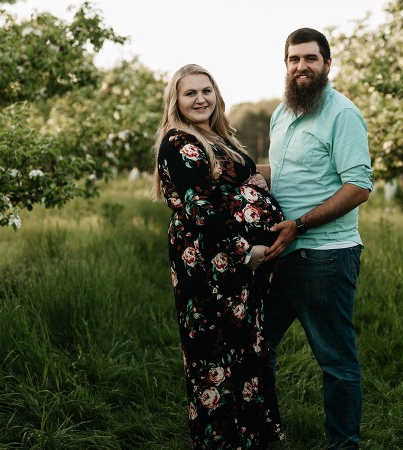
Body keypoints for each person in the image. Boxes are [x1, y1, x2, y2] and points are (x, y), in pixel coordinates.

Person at [152, 64, 286, 450]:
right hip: (209, 260)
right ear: (176, 101)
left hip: (233, 264)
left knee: (244, 346)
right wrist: (245, 251)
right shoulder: (178, 141)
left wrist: (253, 180)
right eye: (190, 93)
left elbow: (229, 182)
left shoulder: (215, 136)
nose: (200, 99)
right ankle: (221, 441)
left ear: (216, 94)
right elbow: (200, 208)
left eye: (206, 91)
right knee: (214, 351)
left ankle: (251, 435)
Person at [256, 28, 373, 450]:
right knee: (256, 346)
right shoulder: (282, 113)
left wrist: (300, 225)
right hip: (280, 253)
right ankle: (262, 432)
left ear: (327, 63)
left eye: (310, 58)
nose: (301, 66)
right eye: (294, 59)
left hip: (325, 257)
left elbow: (358, 186)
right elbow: (285, 173)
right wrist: (241, 172)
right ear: (286, 65)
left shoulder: (342, 114)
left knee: (336, 361)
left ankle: (343, 445)